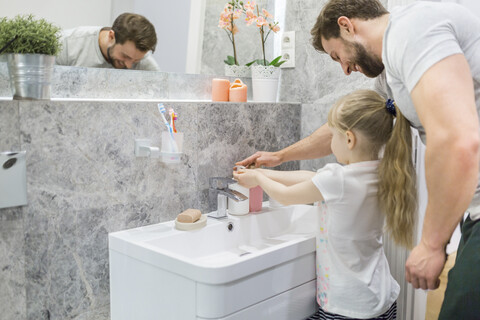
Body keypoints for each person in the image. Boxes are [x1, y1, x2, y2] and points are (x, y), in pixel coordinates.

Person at [238, 1, 480, 318]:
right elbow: (341, 126)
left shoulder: (411, 31)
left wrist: (432, 245)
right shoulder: (392, 74)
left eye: (338, 55)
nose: (344, 68)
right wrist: (281, 156)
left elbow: (458, 141)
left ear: (347, 25)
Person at [234, 89, 416, 319]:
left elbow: (287, 196)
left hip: (346, 307)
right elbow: (311, 179)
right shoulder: (383, 172)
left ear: (349, 139)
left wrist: (258, 179)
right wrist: (264, 173)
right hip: (382, 299)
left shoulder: (337, 180)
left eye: (333, 135)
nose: (331, 142)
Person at [56, 13, 160, 71]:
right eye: (125, 56)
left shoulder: (143, 60)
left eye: (135, 61)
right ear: (111, 36)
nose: (129, 65)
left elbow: (162, 100)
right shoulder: (66, 44)